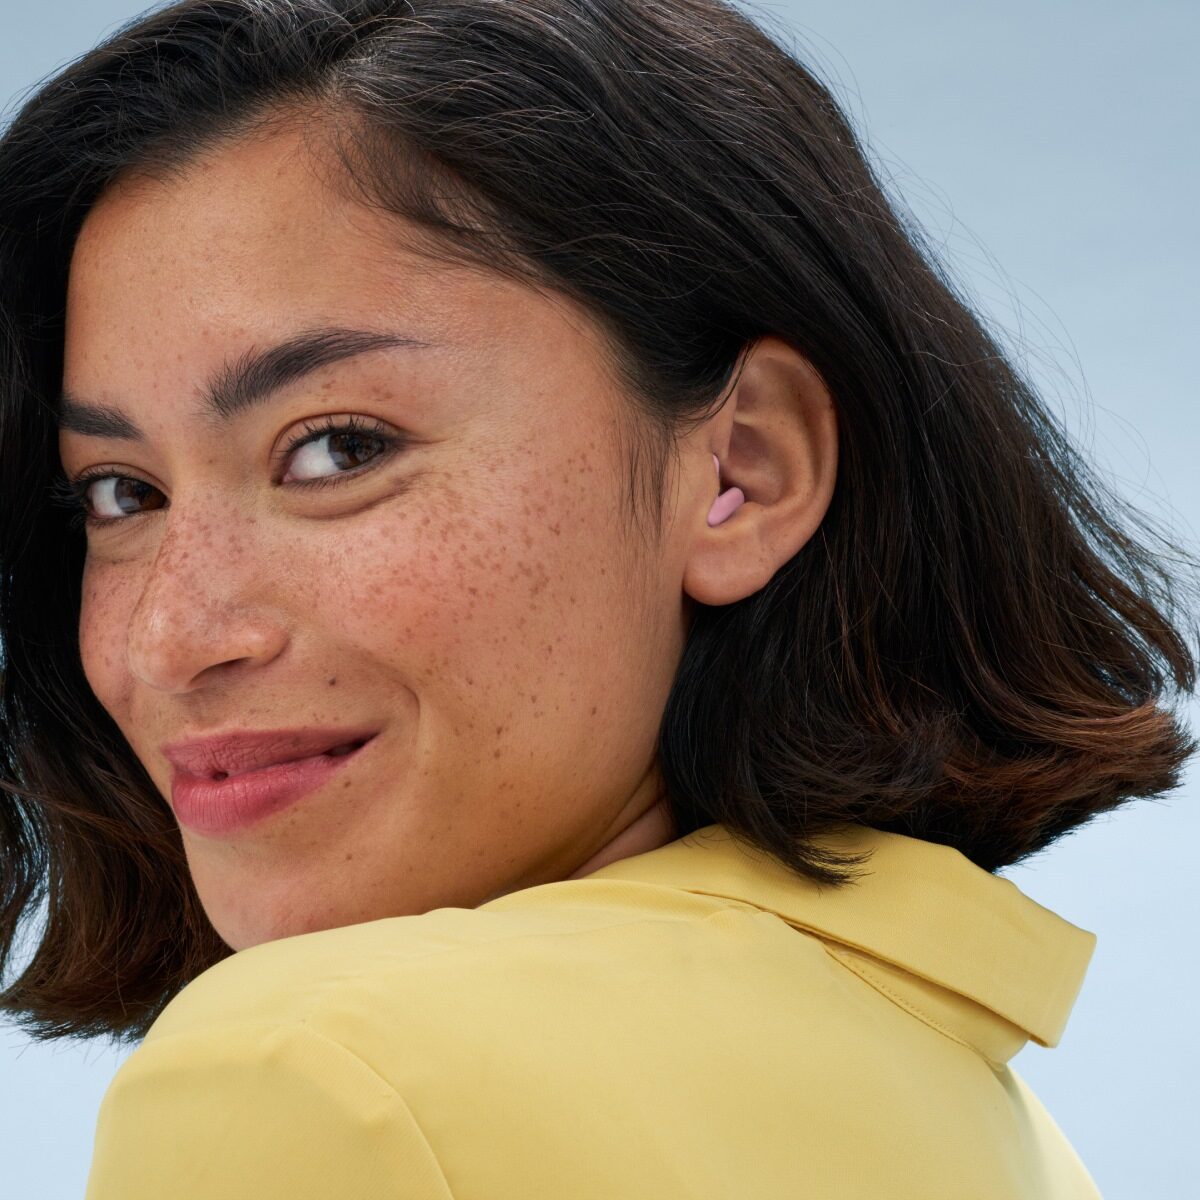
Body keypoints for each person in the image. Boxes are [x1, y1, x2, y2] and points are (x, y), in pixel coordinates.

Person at [0, 1, 1193, 1196]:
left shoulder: (317, 1078)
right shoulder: (990, 1115)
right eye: (117, 493)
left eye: (338, 449)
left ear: (743, 471)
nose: (169, 639)